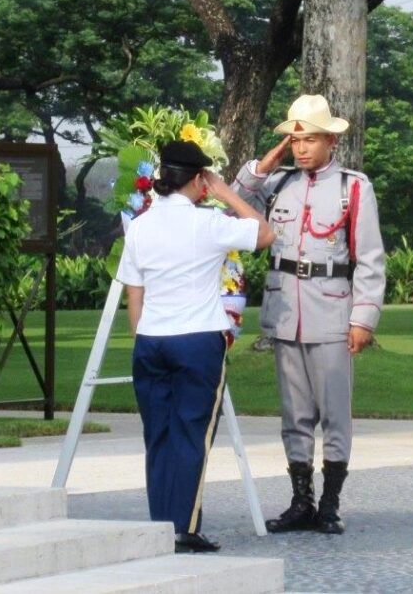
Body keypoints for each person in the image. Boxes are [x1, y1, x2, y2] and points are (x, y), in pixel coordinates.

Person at [232, 94, 386, 534]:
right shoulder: (277, 184)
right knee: (293, 412)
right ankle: (302, 502)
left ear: (330, 142)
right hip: (286, 313)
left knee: (334, 412)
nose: (300, 149)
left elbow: (371, 259)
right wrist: (262, 166)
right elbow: (232, 205)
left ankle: (331, 504)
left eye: (310, 139)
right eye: (294, 140)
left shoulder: (352, 187)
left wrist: (363, 320)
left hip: (332, 313)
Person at [116, 140, 275, 553]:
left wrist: (142, 336)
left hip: (151, 340)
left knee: (159, 435)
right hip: (197, 339)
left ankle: (161, 528)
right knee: (191, 434)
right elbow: (265, 232)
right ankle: (184, 528)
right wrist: (226, 192)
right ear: (199, 180)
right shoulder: (208, 223)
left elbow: (135, 291)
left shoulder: (141, 226)